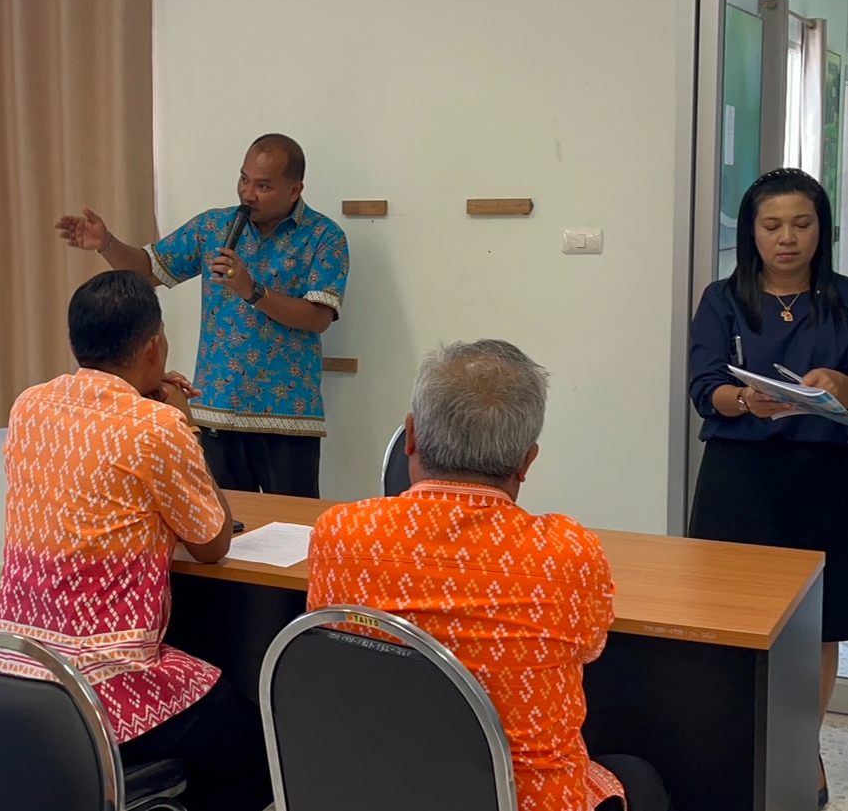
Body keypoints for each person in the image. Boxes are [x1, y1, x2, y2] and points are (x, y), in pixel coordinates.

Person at [308, 339, 673, 811]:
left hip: (374, 789)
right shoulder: (568, 554)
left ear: (411, 437)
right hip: (521, 800)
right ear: (527, 461)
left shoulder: (340, 533)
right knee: (639, 776)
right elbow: (591, 647)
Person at [0, 270, 270, 811]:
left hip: (16, 669)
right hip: (105, 685)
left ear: (75, 342)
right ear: (154, 346)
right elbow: (212, 542)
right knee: (260, 756)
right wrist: (184, 423)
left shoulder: (29, 406)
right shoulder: (156, 427)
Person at [54, 133, 350, 498]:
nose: (247, 194)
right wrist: (107, 244)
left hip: (288, 416)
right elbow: (150, 270)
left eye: (263, 186)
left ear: (295, 190)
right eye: (244, 179)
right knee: (226, 519)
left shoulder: (324, 237)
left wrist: (252, 290)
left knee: (292, 523)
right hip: (214, 409)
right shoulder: (213, 226)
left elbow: (318, 317)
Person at [689, 166, 848, 809]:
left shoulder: (844, 297)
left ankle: (802, 751)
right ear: (752, 232)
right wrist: (744, 401)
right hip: (740, 478)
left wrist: (840, 385)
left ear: (821, 230)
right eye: (773, 225)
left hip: (825, 477)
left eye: (802, 224)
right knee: (729, 620)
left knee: (819, 624)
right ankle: (731, 746)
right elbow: (704, 387)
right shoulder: (722, 299)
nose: (787, 238)